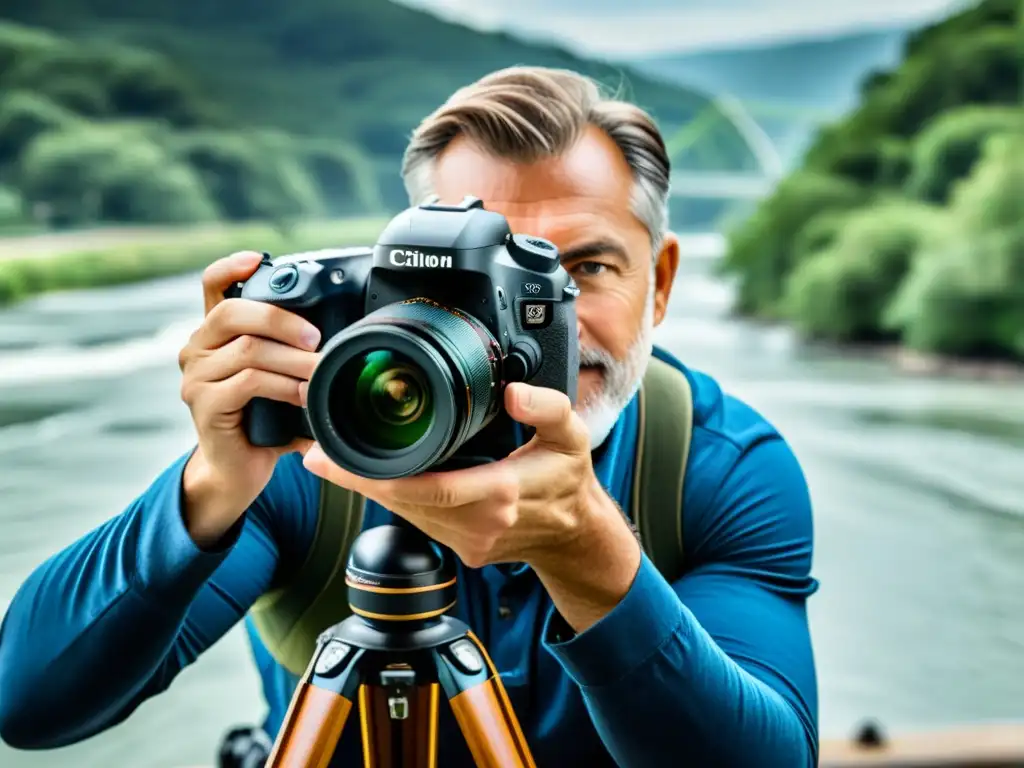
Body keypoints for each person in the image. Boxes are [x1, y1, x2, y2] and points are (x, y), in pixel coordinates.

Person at [0, 66, 819, 767]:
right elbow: (29, 704)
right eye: (477, 284)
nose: (523, 332)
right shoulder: (315, 443)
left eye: (581, 271)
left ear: (662, 283)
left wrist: (590, 555)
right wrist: (209, 484)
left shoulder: (715, 463)